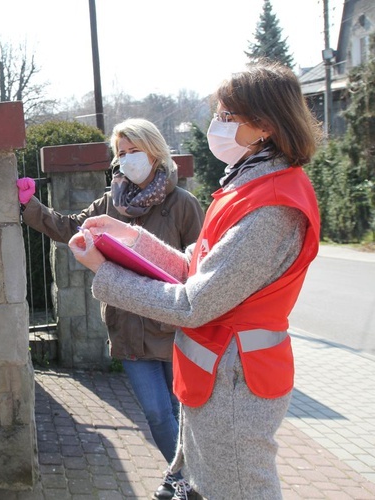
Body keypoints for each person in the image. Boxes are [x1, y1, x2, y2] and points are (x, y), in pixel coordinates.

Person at [68, 61, 321, 499]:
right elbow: (195, 263)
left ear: (263, 125)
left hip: (236, 388)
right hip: (221, 380)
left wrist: (105, 272)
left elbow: (192, 302)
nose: (215, 126)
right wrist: (125, 236)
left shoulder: (272, 206)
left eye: (226, 116)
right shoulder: (249, 185)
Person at [17, 118, 204, 499]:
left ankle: (187, 480)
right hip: (127, 327)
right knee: (156, 412)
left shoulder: (183, 204)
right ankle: (185, 480)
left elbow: (198, 265)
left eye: (135, 150)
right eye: (121, 153)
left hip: (173, 326)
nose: (128, 159)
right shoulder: (110, 202)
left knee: (183, 411)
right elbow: (71, 228)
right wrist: (29, 205)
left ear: (155, 151)